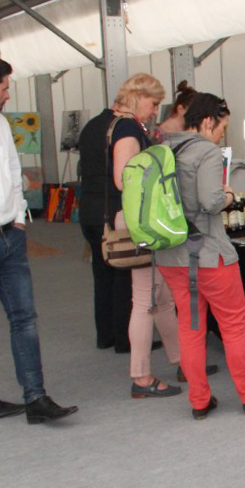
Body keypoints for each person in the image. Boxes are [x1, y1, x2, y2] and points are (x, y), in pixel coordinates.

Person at [0, 52, 78, 424]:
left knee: (25, 318)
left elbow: (11, 170)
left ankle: (36, 398)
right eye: (4, 89)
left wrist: (19, 217)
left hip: (10, 237)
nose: (8, 95)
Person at [156, 92, 245, 419]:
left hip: (172, 256)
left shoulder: (165, 148)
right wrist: (228, 196)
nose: (223, 135)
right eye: (222, 128)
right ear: (208, 121)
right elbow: (210, 202)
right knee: (234, 326)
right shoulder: (206, 151)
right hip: (209, 255)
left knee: (190, 328)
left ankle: (199, 401)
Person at [80, 73, 183, 398]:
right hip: (130, 220)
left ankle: (182, 359)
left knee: (160, 295)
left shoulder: (98, 125)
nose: (154, 112)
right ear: (138, 97)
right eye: (153, 104)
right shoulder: (127, 128)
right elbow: (125, 179)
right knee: (144, 300)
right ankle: (141, 376)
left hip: (102, 215)